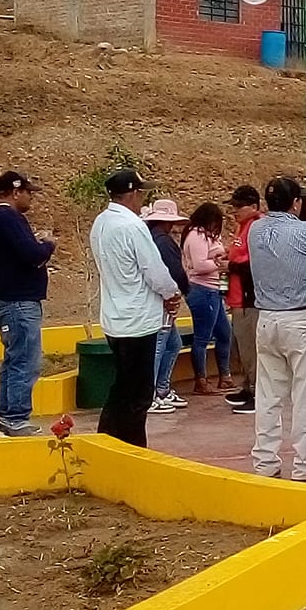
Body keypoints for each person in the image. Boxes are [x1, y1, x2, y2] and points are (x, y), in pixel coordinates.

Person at [246, 175, 306, 483]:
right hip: (301, 317)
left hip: (267, 318)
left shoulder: (255, 230)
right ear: (297, 203)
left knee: (268, 395)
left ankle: (264, 462)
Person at [90, 168, 181, 448]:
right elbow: (154, 270)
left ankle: (107, 439)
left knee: (121, 386)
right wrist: (172, 293)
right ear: (132, 194)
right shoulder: (133, 226)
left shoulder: (101, 223)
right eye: (141, 193)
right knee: (139, 393)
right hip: (139, 320)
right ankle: (132, 447)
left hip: (114, 317)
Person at [0, 170, 54, 438]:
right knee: (25, 359)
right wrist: (47, 245)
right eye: (28, 193)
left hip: (13, 299)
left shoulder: (4, 219)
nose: (30, 199)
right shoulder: (8, 217)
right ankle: (15, 418)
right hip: (17, 301)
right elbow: (32, 254)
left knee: (16, 358)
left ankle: (8, 418)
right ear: (15, 192)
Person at [141, 199, 191, 414]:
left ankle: (161, 389)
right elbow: (175, 272)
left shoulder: (148, 239)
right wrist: (182, 290)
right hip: (162, 302)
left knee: (173, 343)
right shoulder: (164, 242)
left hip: (154, 300)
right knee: (160, 346)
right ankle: (150, 394)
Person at [180, 204, 234, 395]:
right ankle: (200, 380)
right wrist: (219, 263)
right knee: (202, 337)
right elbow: (199, 264)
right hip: (202, 289)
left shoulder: (209, 235)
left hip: (213, 289)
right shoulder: (197, 235)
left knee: (224, 333)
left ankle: (225, 376)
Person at [223, 185, 263, 414]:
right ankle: (247, 386)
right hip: (237, 298)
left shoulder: (257, 227)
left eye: (240, 206)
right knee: (242, 349)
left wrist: (230, 265)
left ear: (254, 207)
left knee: (252, 350)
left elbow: (255, 262)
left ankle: (258, 393)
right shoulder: (243, 227)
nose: (235, 211)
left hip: (250, 299)